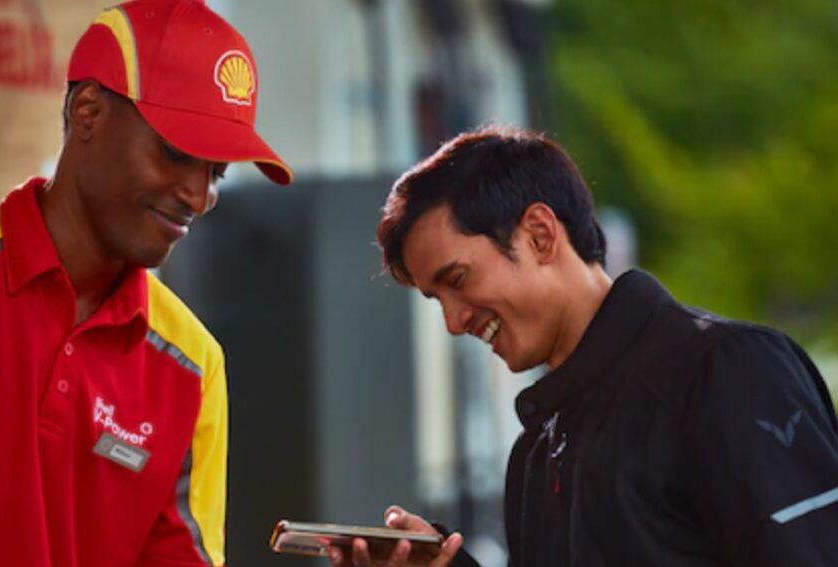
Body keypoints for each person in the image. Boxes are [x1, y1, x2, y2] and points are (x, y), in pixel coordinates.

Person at [0, 1, 291, 565]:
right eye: (177, 152)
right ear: (88, 111)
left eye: (217, 172)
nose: (199, 195)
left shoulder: (194, 366)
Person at [329, 126, 838, 567]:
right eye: (436, 298)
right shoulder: (536, 449)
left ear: (540, 234)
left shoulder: (729, 370)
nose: (454, 322)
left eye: (458, 279)